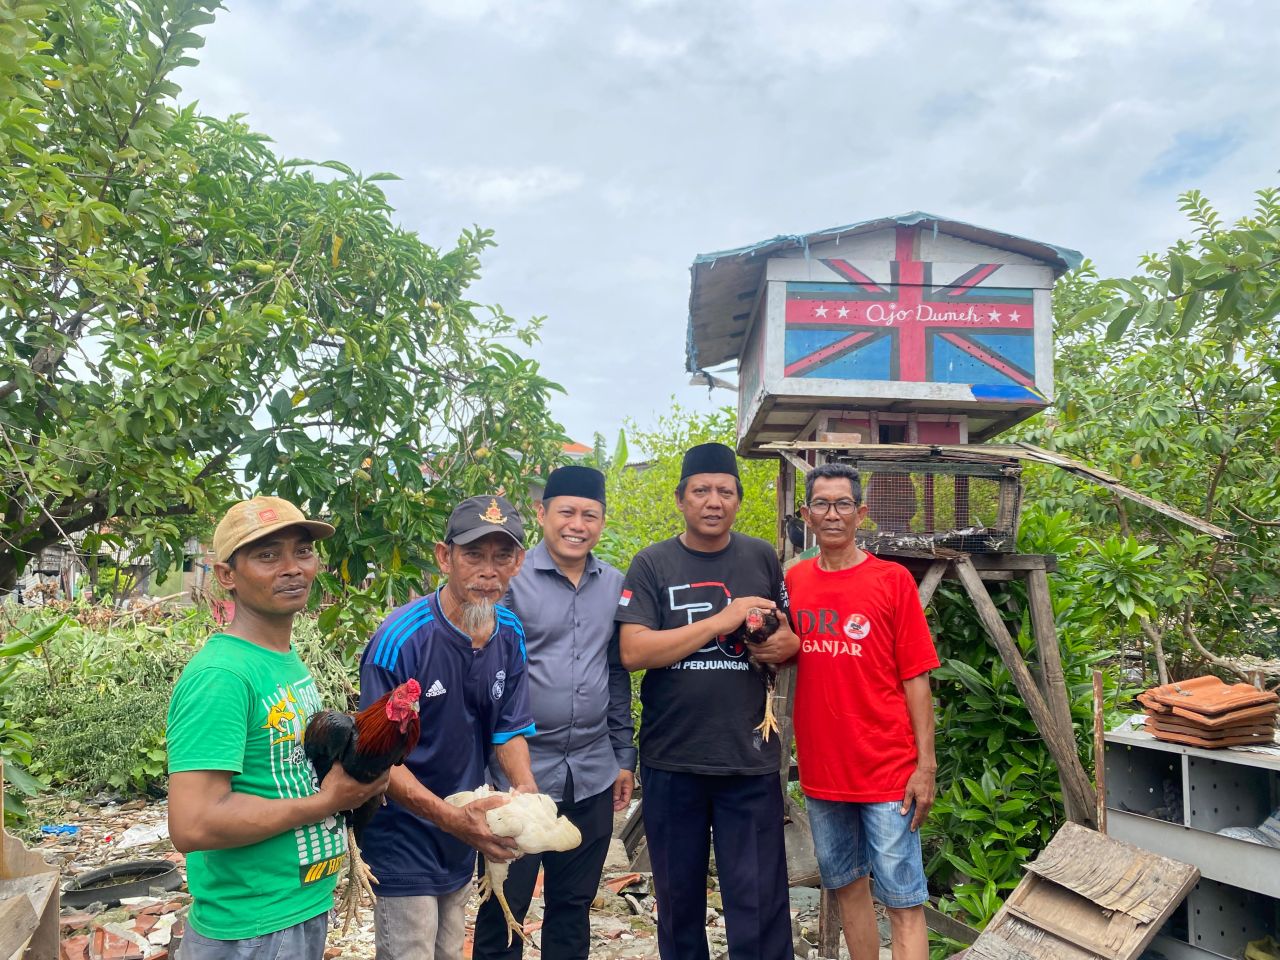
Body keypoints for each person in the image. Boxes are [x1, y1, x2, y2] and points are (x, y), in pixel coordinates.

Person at [167, 496, 390, 959]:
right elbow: (192, 823)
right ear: (227, 575)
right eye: (267, 555)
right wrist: (327, 802)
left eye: (302, 551)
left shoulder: (283, 660)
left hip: (296, 907)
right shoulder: (222, 677)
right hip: (251, 927)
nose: (292, 568)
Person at [616, 442, 799, 960]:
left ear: (738, 499)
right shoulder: (652, 562)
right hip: (673, 758)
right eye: (701, 491)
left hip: (749, 758)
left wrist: (778, 642)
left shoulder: (761, 555)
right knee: (677, 902)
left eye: (725, 491)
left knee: (760, 900)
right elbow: (633, 651)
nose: (713, 501)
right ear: (681, 499)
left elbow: (790, 642)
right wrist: (723, 620)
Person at [358, 494, 538, 960]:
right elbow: (378, 761)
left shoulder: (511, 632)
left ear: (518, 562)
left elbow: (509, 729)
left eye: (503, 556)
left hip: (463, 827)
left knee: (448, 950)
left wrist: (529, 797)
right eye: (473, 554)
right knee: (411, 948)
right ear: (445, 556)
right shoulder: (401, 638)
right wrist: (452, 819)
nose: (488, 570)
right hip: (404, 830)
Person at [473, 466, 636, 960]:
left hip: (591, 770)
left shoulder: (614, 584)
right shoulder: (513, 581)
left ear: (602, 522)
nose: (577, 524)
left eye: (590, 515)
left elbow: (616, 672)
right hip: (519, 775)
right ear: (543, 514)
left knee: (573, 905)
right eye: (566, 512)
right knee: (505, 904)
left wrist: (623, 753)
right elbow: (483, 672)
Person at [785, 462, 939, 960]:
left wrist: (925, 766)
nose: (833, 514)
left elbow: (917, 679)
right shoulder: (793, 582)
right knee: (848, 888)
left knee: (903, 900)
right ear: (806, 514)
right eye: (823, 505)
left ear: (861, 512)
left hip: (888, 770)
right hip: (823, 771)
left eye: (844, 504)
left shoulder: (892, 581)